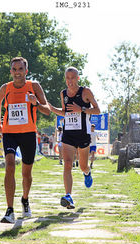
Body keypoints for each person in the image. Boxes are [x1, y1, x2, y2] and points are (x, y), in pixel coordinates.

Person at [0, 56, 51, 223]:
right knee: (9, 166)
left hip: (28, 134)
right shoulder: (6, 88)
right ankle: (9, 210)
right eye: (14, 69)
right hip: (10, 133)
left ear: (26, 71)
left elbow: (47, 110)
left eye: (20, 69)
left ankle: (25, 199)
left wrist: (35, 104)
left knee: (26, 173)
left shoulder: (34, 86)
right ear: (11, 71)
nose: (17, 73)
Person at [48, 66, 100, 209]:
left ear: (77, 78)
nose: (70, 81)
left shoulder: (85, 92)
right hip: (68, 134)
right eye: (67, 78)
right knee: (68, 164)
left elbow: (97, 110)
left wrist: (82, 109)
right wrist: (52, 108)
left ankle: (87, 172)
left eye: (72, 78)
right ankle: (68, 196)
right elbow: (65, 112)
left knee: (83, 165)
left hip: (83, 134)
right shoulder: (63, 94)